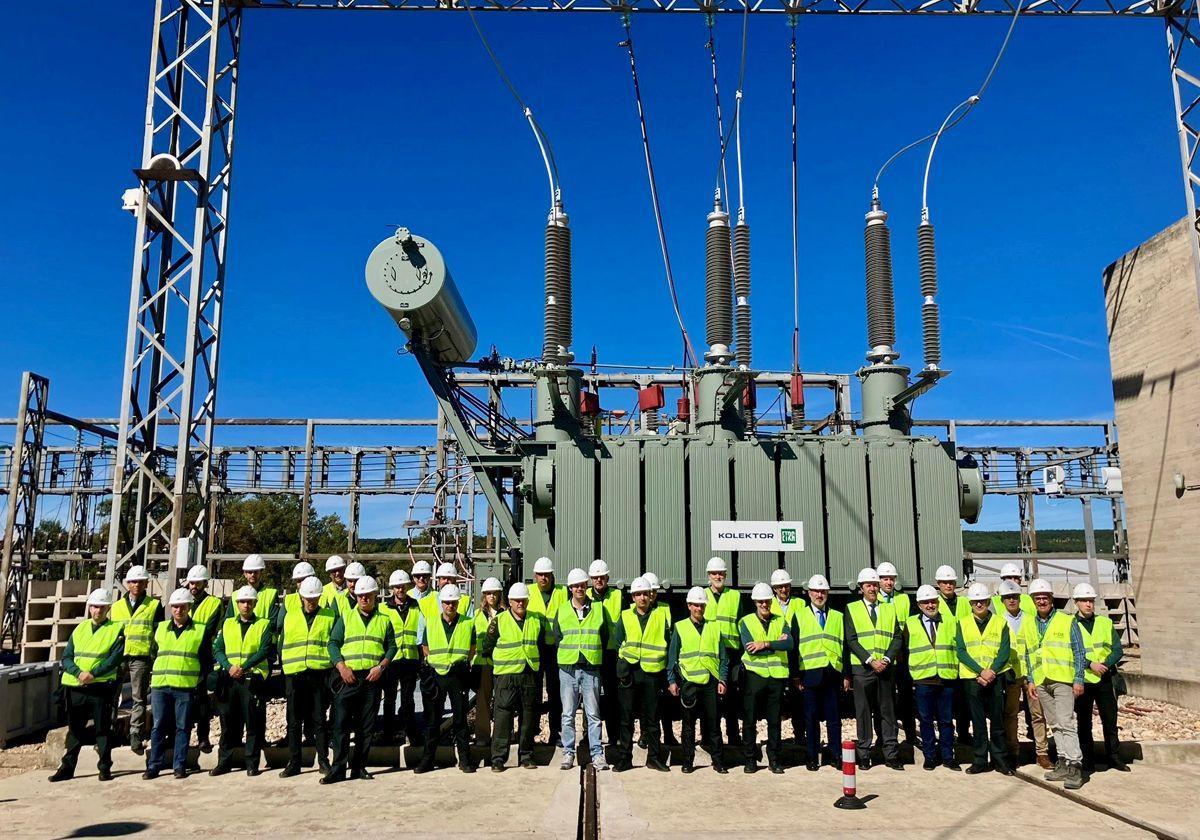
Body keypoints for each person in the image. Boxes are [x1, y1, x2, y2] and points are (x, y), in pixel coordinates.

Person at [323, 575, 396, 784]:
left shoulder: (384, 620)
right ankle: (338, 769)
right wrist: (341, 666)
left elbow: (392, 647)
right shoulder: (346, 617)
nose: (364, 599)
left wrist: (381, 667)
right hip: (348, 677)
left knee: (366, 726)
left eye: (368, 595)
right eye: (361, 595)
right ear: (356, 596)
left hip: (371, 679)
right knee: (341, 725)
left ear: (375, 596)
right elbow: (333, 644)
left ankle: (359, 767)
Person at [49, 588, 124, 782]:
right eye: (94, 607)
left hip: (99, 688)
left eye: (101, 607)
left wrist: (93, 674)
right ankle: (67, 768)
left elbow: (114, 659)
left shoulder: (116, 629)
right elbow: (66, 657)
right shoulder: (80, 629)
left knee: (102, 730)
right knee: (75, 730)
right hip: (76, 687)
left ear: (108, 608)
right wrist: (79, 673)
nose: (97, 610)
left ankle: (105, 767)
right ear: (89, 608)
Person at [1022, 578, 1087, 791]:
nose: (1041, 601)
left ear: (1051, 599)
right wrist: (1031, 679)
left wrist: (1078, 679)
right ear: (1032, 600)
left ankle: (1075, 765)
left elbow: (1079, 651)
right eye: (1037, 598)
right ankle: (1062, 761)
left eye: (1045, 597)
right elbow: (1029, 654)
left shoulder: (1067, 621)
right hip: (1042, 681)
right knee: (1055, 723)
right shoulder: (1029, 623)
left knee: (1066, 722)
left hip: (1063, 680)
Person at [144, 587, 214, 780]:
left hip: (184, 687)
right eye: (175, 607)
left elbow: (206, 660)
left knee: (182, 727)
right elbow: (153, 653)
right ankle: (153, 766)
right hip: (161, 685)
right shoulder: (161, 629)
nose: (178, 610)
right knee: (158, 726)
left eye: (182, 606)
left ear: (189, 607)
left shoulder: (199, 630)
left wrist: (196, 681)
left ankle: (179, 765)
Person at [210, 585, 275, 777]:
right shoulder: (228, 624)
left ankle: (251, 763)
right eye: (242, 602)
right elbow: (218, 649)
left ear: (255, 603)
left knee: (252, 722)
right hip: (230, 679)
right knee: (228, 722)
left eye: (249, 602)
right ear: (237, 604)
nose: (246, 605)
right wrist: (228, 666)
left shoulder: (263, 624)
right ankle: (224, 762)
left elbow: (264, 650)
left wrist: (243, 667)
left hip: (250, 679)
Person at [277, 575, 335, 778]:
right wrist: (286, 669)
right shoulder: (290, 617)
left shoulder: (329, 616)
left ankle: (323, 761)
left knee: (319, 720)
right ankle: (294, 762)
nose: (311, 602)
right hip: (295, 675)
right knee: (294, 721)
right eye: (308, 599)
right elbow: (282, 644)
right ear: (301, 597)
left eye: (315, 599)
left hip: (319, 675)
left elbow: (333, 643)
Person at [415, 583, 476, 774]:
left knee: (460, 720)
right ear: (442, 603)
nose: (450, 606)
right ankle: (427, 761)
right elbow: (425, 648)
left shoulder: (467, 623)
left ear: (458, 603)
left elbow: (472, 648)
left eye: (454, 603)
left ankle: (464, 760)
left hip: (458, 675)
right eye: (447, 603)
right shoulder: (431, 622)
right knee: (433, 721)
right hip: (437, 675)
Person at [483, 582, 544, 771]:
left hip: (528, 673)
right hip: (506, 676)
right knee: (503, 716)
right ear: (509, 601)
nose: (520, 603)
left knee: (528, 715)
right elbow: (487, 646)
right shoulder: (499, 621)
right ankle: (498, 759)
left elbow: (540, 644)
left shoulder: (536, 620)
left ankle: (526, 755)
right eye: (516, 600)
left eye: (523, 600)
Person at [611, 576, 670, 772]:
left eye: (645, 594)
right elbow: (618, 641)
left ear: (651, 595)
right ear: (633, 597)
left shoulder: (660, 616)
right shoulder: (625, 616)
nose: (642, 597)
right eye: (638, 594)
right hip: (630, 672)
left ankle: (654, 757)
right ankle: (625, 758)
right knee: (626, 718)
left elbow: (667, 643)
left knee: (652, 718)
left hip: (652, 673)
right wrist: (623, 664)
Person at [847, 567, 903, 770]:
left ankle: (891, 754)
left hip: (886, 669)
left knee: (888, 713)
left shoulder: (889, 608)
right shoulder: (852, 608)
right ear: (861, 588)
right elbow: (851, 639)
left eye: (874, 584)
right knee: (863, 713)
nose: (872, 588)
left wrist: (886, 659)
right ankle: (864, 754)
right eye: (868, 585)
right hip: (863, 670)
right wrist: (871, 660)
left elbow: (897, 637)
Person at [668, 586, 728, 774]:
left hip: (710, 681)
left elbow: (724, 658)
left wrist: (723, 680)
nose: (699, 608)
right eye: (695, 605)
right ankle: (688, 761)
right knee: (688, 726)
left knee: (714, 724)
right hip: (689, 683)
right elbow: (672, 657)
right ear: (689, 605)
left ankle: (718, 761)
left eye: (701, 605)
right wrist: (672, 681)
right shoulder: (680, 627)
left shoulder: (714, 627)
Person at [957, 582, 1013, 775]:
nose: (979, 605)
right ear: (970, 603)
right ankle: (980, 760)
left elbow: (1004, 651)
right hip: (973, 679)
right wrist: (981, 672)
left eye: (982, 601)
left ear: (989, 601)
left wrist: (991, 672)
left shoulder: (1000, 622)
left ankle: (1000, 760)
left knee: (997, 723)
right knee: (978, 722)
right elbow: (961, 651)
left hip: (995, 679)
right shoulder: (962, 623)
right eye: (975, 602)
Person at [1072, 582, 1128, 773]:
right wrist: (1090, 665)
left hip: (1105, 679)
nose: (1088, 604)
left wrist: (1105, 664)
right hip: (1084, 680)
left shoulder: (1105, 623)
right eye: (1084, 601)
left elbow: (1117, 650)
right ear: (1076, 603)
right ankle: (1087, 760)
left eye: (1091, 601)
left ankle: (1114, 757)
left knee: (1110, 720)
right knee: (1084, 722)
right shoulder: (1071, 625)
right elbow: (1070, 652)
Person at [555, 568, 608, 771]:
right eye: (575, 586)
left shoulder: (598, 609)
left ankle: (597, 754)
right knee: (567, 714)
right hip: (568, 668)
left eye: (582, 585)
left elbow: (603, 635)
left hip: (590, 668)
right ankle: (568, 753)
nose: (579, 588)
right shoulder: (562, 610)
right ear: (570, 588)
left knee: (593, 714)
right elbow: (558, 636)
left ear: (587, 586)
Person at [739, 582, 793, 774]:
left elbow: (789, 644)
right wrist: (775, 644)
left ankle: (775, 760)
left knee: (774, 721)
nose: (764, 605)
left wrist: (764, 643)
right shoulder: (745, 622)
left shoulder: (781, 620)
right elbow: (750, 650)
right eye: (761, 601)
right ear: (755, 602)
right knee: (750, 720)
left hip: (776, 677)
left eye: (767, 601)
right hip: (755, 677)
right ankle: (750, 759)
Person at [904, 585, 959, 771]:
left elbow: (958, 648)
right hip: (923, 679)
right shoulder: (910, 624)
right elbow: (905, 652)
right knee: (926, 720)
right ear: (919, 605)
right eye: (925, 602)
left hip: (946, 678)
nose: (930, 605)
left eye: (933, 601)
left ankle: (948, 757)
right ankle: (930, 756)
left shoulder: (950, 622)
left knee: (946, 720)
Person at [110, 564, 161, 756]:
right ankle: (110, 732)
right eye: (133, 581)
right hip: (119, 657)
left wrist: (154, 655)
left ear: (146, 583)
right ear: (127, 584)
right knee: (112, 696)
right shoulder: (116, 607)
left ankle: (135, 734)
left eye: (140, 582)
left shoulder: (154, 605)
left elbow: (157, 632)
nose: (136, 585)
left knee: (138, 698)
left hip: (141, 657)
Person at [998, 579, 1050, 769]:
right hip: (1011, 675)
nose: (1011, 600)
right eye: (1007, 597)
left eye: (1014, 597)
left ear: (1020, 598)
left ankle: (1042, 753)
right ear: (1002, 600)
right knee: (1011, 714)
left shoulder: (1031, 618)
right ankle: (1013, 751)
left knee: (1037, 714)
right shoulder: (998, 621)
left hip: (1031, 676)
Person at [794, 574, 843, 772]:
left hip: (832, 673)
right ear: (809, 593)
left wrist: (846, 675)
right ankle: (812, 756)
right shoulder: (799, 616)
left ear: (828, 593)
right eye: (816, 591)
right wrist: (796, 675)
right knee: (811, 719)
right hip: (810, 674)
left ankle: (835, 755)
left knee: (834, 719)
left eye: (823, 591)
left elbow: (844, 646)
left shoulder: (838, 616)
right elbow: (794, 647)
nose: (819, 595)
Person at [703, 557, 744, 748]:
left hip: (732, 652)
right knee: (709, 697)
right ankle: (708, 738)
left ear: (726, 575)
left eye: (721, 573)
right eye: (714, 573)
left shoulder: (735, 596)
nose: (717, 576)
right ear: (708, 576)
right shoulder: (701, 595)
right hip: (711, 654)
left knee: (732, 699)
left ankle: (734, 736)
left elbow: (742, 624)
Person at [527, 556, 567, 747]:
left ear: (552, 576)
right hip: (535, 648)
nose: (543, 578)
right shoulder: (528, 592)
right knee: (533, 693)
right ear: (535, 576)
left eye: (547, 575)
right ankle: (532, 732)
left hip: (555, 650)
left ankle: (556, 733)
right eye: (540, 575)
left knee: (555, 693)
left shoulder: (562, 592)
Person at [379, 569, 421, 747]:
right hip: (391, 660)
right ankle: (388, 733)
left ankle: (409, 732)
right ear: (392, 589)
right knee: (389, 699)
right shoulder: (384, 608)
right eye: (396, 587)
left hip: (410, 659)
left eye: (402, 586)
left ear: (406, 587)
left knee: (407, 699)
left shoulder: (415, 605)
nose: (399, 590)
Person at [185, 565, 223, 755]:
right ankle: (179, 739)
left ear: (205, 584)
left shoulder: (213, 603)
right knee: (182, 700)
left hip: (203, 657)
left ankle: (202, 738)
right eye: (191, 583)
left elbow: (210, 631)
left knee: (202, 701)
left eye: (197, 583)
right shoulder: (181, 599)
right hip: (183, 658)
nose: (194, 586)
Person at [877, 562, 916, 746]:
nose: (889, 582)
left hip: (902, 655)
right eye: (885, 579)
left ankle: (910, 736)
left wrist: (902, 650)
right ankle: (883, 736)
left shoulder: (903, 599)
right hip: (883, 656)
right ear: (879, 581)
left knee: (906, 697)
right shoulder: (874, 599)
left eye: (891, 579)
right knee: (883, 700)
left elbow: (907, 627)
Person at [587, 559, 624, 745]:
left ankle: (614, 736)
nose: (598, 580)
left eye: (601, 577)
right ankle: (589, 737)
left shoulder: (617, 595)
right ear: (591, 580)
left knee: (612, 696)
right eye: (595, 578)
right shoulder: (584, 595)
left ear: (607, 578)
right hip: (592, 652)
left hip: (611, 653)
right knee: (589, 695)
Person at [934, 564, 973, 741]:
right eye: (945, 582)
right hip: (945, 662)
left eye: (951, 582)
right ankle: (947, 738)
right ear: (938, 584)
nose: (948, 585)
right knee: (946, 706)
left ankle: (964, 735)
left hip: (965, 662)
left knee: (965, 704)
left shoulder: (965, 603)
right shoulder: (934, 604)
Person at [643, 571, 679, 747]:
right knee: (647, 703)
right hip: (646, 664)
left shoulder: (664, 608)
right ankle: (645, 735)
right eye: (650, 591)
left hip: (664, 661)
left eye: (654, 591)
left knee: (665, 703)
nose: (652, 595)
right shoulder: (638, 610)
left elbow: (670, 635)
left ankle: (669, 734)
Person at [769, 569, 804, 750]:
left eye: (786, 586)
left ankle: (799, 735)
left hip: (796, 655)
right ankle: (776, 740)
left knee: (798, 697)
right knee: (776, 700)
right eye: (780, 586)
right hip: (776, 657)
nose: (784, 589)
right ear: (774, 588)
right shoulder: (769, 604)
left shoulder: (800, 603)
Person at [472, 577, 504, 748]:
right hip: (483, 663)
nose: (492, 596)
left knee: (501, 702)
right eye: (489, 593)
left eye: (495, 593)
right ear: (484, 595)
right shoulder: (476, 615)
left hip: (501, 664)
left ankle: (500, 736)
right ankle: (482, 736)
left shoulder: (506, 615)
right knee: (482, 701)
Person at [225, 554, 280, 625]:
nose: (253, 574)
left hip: (262, 634)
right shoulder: (235, 595)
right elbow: (228, 622)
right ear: (245, 574)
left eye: (256, 571)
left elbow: (273, 622)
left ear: (261, 573)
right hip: (239, 635)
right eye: (250, 572)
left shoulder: (271, 594)